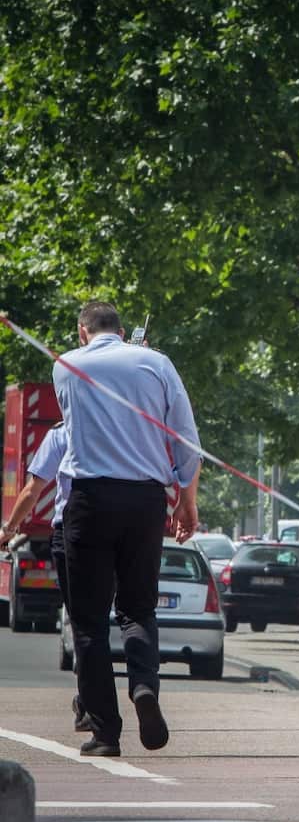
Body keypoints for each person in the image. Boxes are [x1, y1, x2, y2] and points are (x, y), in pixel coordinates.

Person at [53, 302, 201, 757]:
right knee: (138, 609)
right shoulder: (156, 363)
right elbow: (185, 439)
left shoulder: (66, 367)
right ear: (120, 330)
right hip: (145, 501)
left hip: (91, 499)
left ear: (82, 331)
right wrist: (186, 501)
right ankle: (144, 687)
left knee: (90, 622)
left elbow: (75, 427)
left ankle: (104, 732)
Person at [0, 422, 91, 732]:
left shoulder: (62, 433)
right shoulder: (122, 427)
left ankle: (92, 705)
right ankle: (143, 687)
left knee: (84, 624)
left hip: (72, 532)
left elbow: (33, 490)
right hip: (126, 531)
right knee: (132, 615)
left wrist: (9, 529)